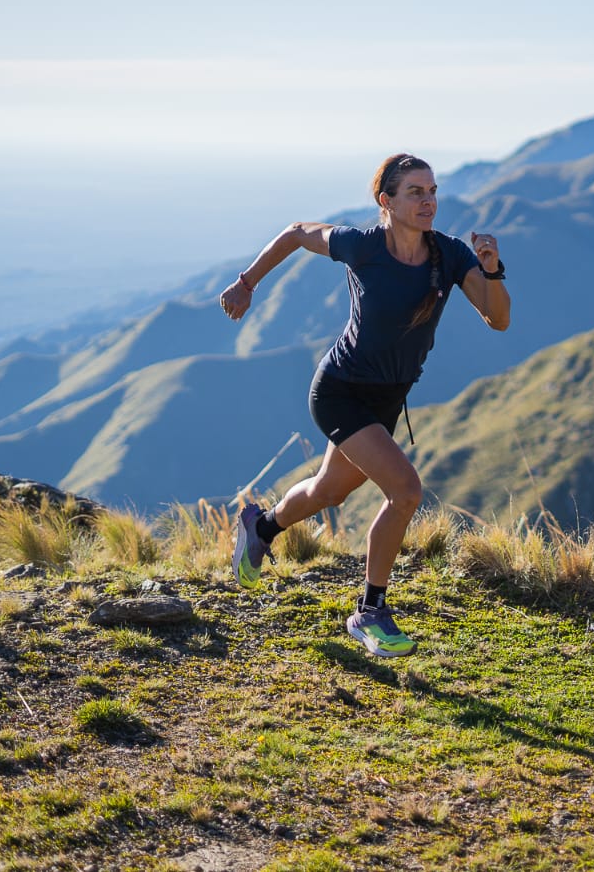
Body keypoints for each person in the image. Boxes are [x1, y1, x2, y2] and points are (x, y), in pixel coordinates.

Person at [217, 153, 510, 657]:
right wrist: (246, 283)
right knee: (405, 491)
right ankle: (370, 610)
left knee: (329, 492)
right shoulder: (361, 245)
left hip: (386, 399)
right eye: (415, 192)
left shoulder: (452, 254)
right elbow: (294, 232)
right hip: (339, 392)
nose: (429, 201)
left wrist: (492, 269)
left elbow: (498, 318)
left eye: (432, 190)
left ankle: (260, 527)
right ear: (386, 201)